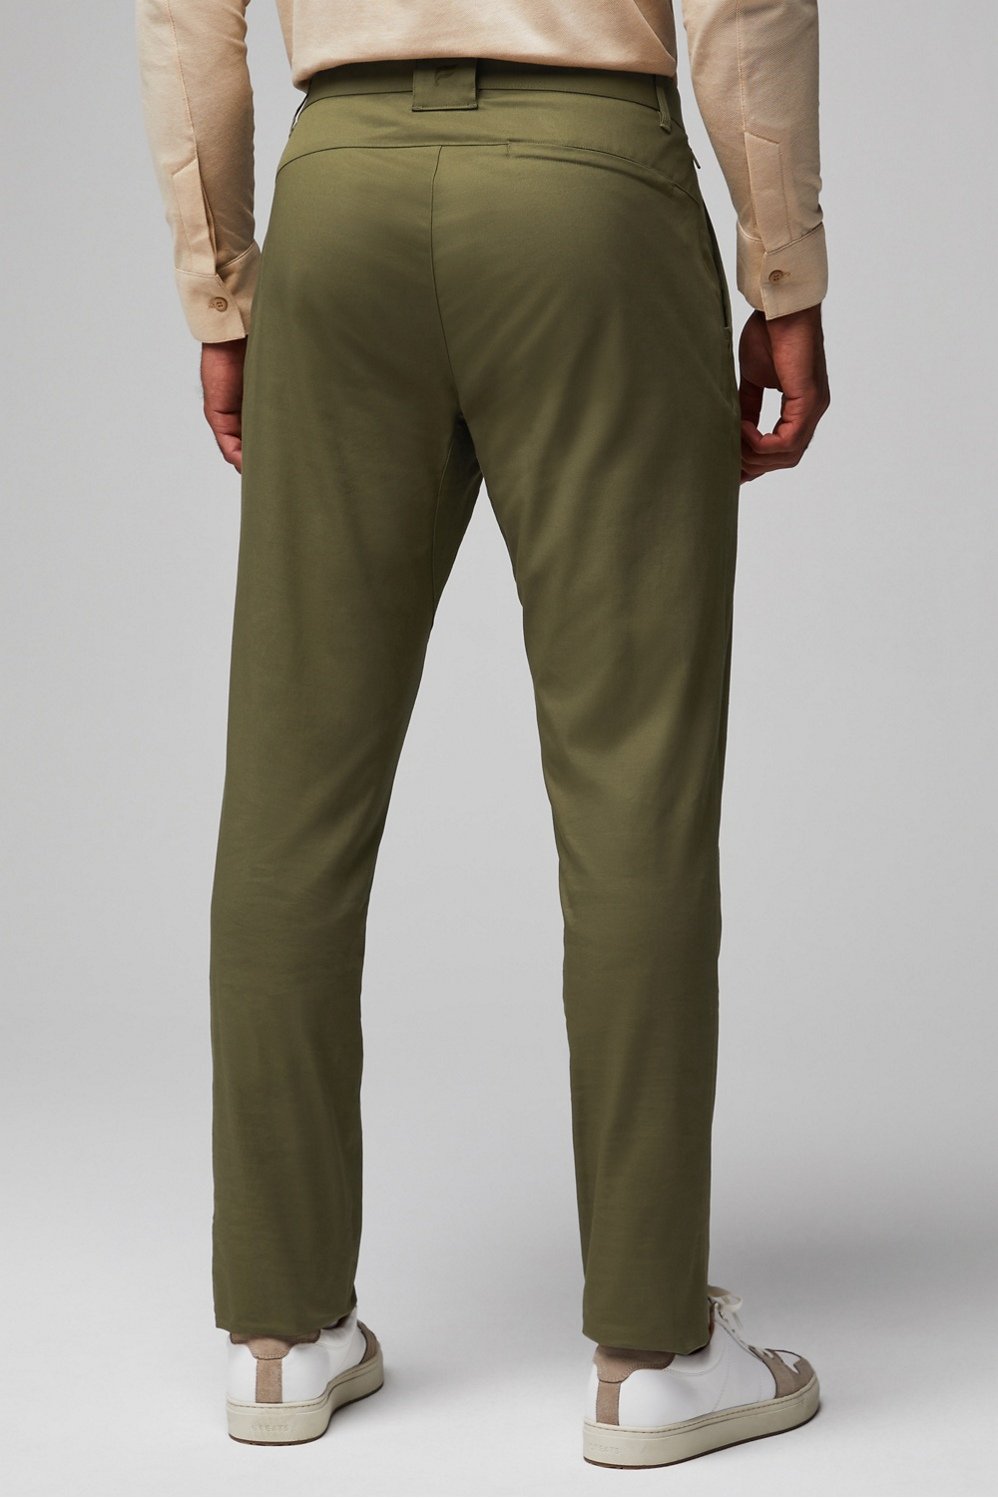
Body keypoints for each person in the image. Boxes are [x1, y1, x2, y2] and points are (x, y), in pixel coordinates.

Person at [135, 0, 830, 1468]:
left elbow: (184, 16)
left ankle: (281, 1335)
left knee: (291, 782)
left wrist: (221, 288)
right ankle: (653, 1358)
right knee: (632, 776)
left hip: (341, 199)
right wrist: (783, 269)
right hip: (589, 189)